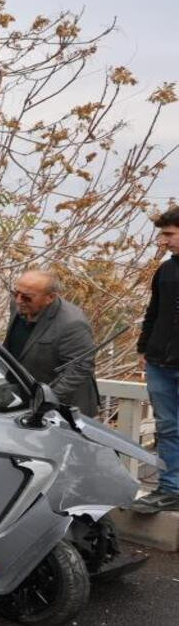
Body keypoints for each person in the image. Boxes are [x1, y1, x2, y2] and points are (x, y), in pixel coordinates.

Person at [2, 269, 99, 417]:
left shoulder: (72, 323)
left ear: (50, 298)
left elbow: (80, 368)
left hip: (65, 408)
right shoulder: (17, 305)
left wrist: (46, 399)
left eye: (27, 297)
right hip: (24, 399)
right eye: (16, 293)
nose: (19, 300)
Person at [133, 208, 179, 513]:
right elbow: (153, 312)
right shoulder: (165, 271)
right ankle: (171, 489)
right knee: (168, 428)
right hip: (160, 363)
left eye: (169, 234)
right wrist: (143, 349)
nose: (163, 241)